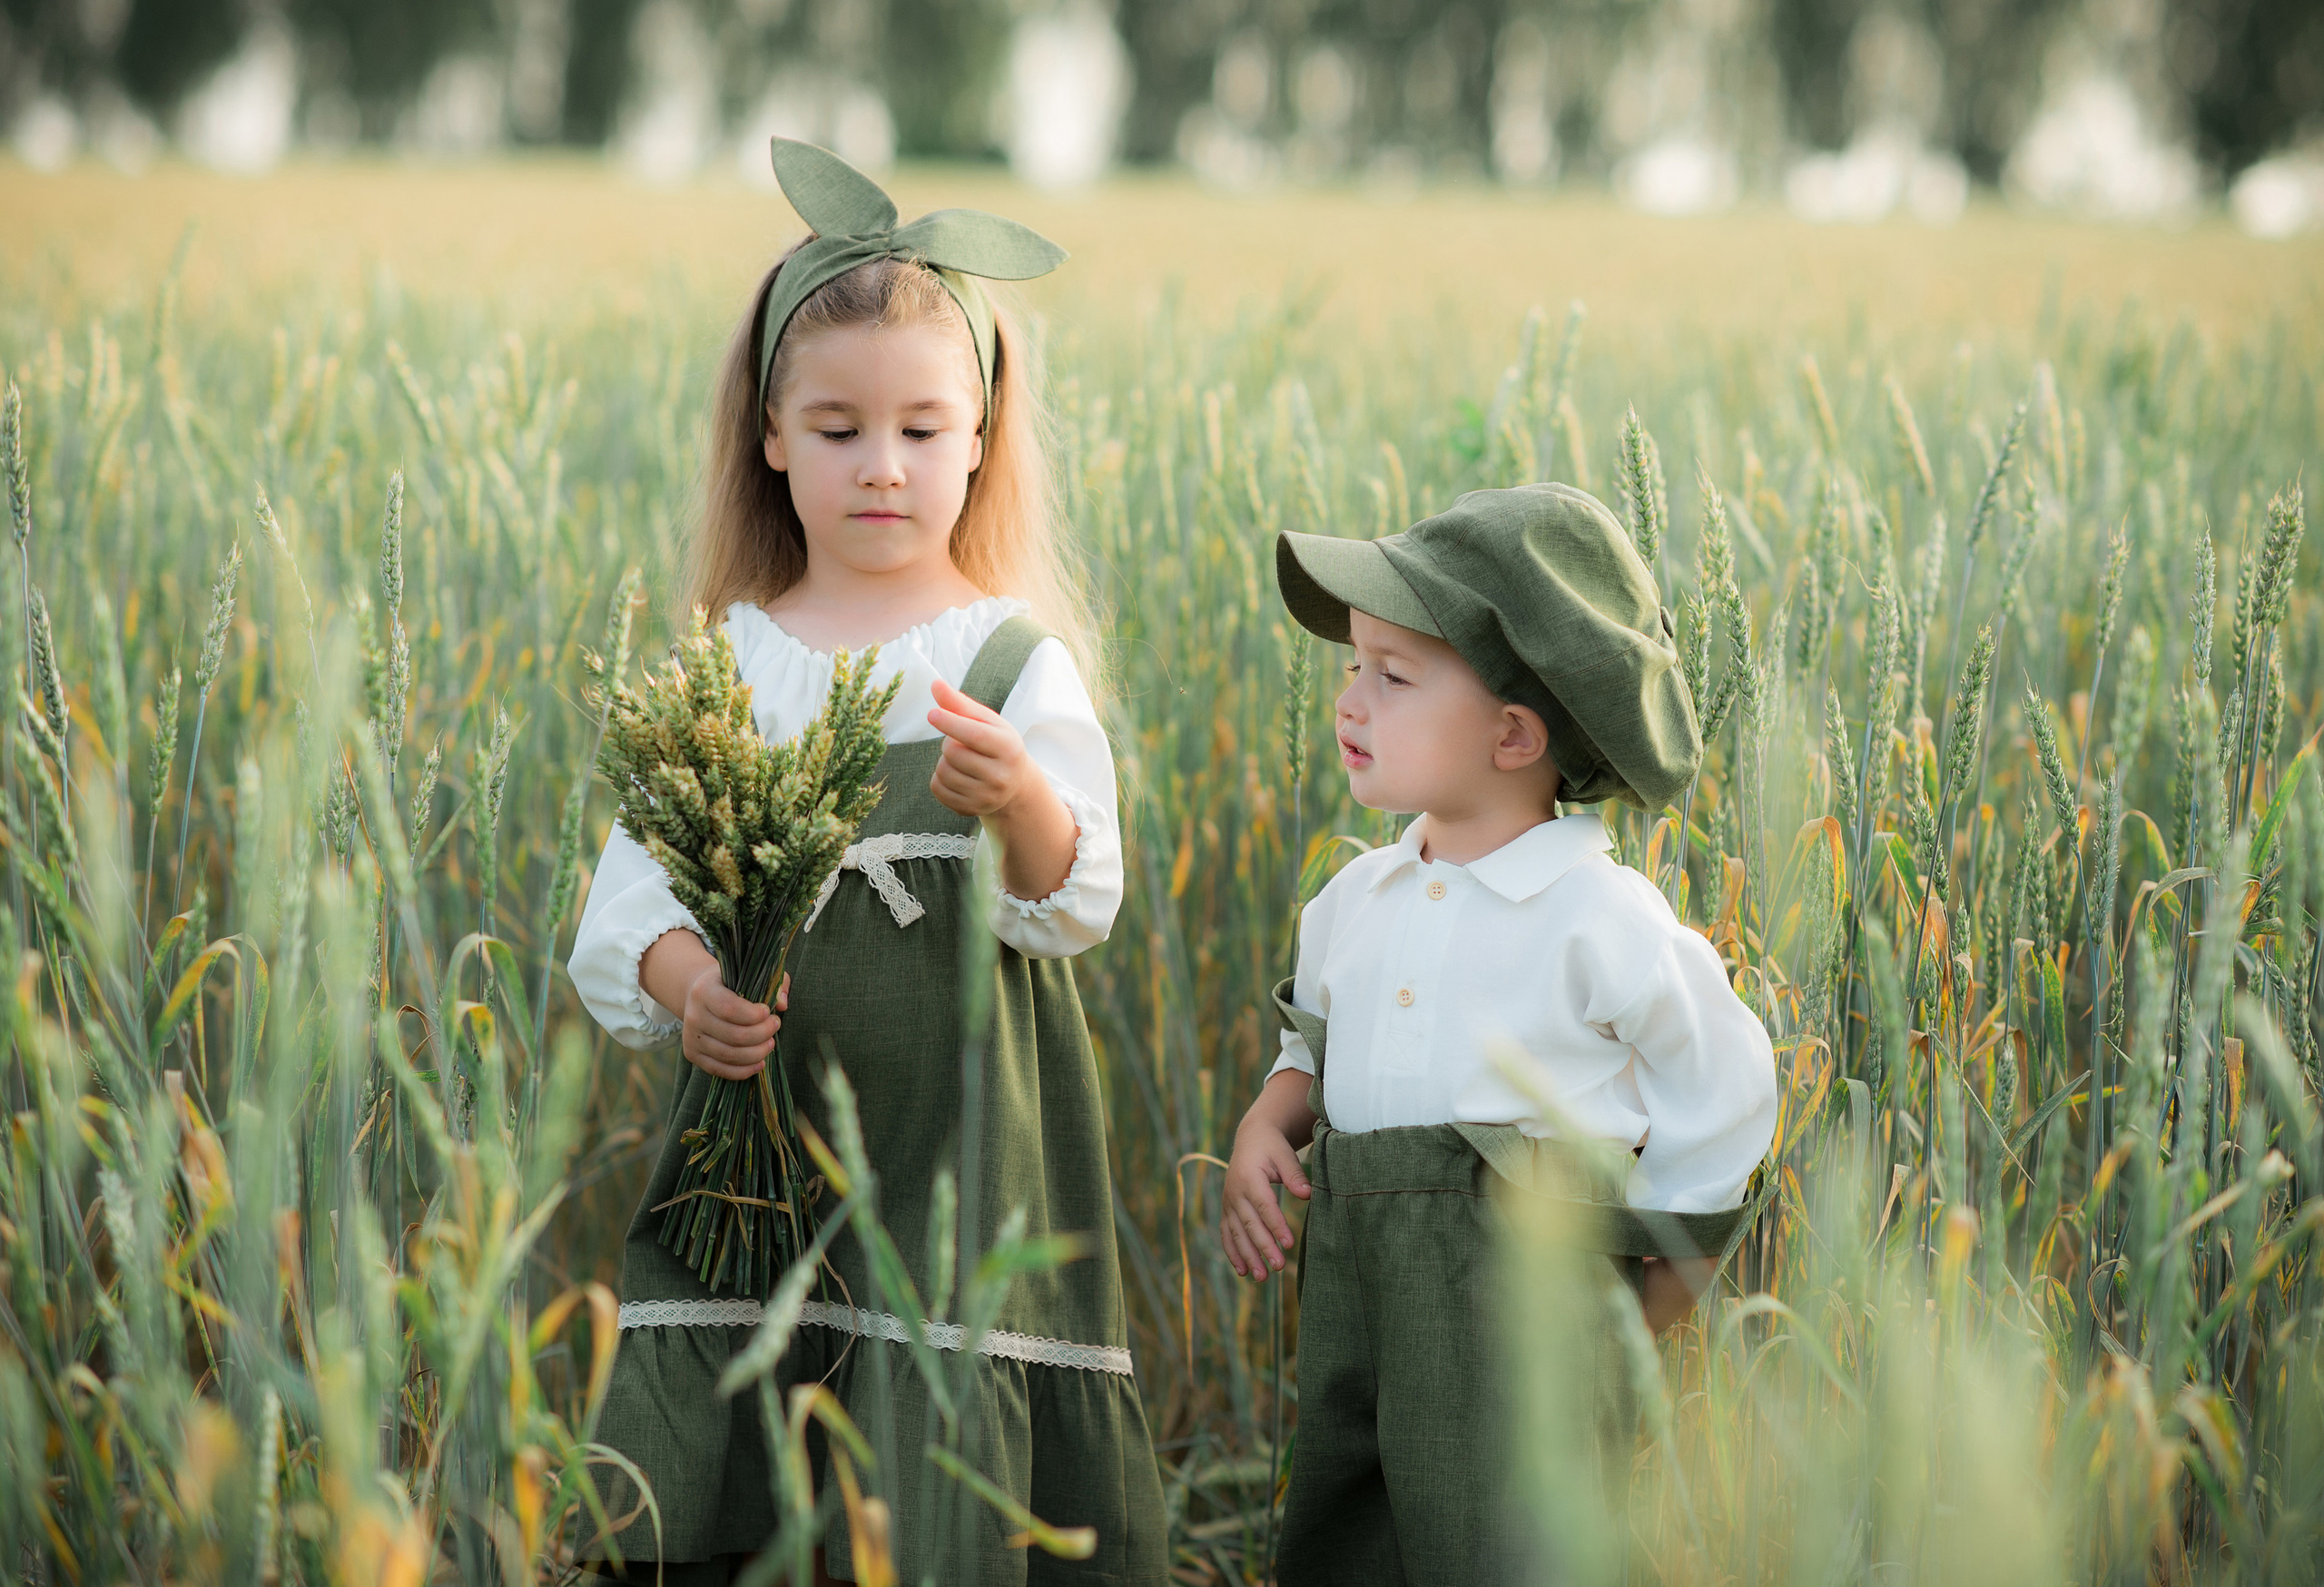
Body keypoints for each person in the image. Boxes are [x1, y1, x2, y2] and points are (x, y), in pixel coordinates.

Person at [568, 138, 1167, 1586]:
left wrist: (1018, 798)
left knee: (929, 1427)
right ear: (770, 436)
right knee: (765, 1432)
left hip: (960, 1156)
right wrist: (688, 978)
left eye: (920, 429)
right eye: (836, 431)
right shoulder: (732, 665)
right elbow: (626, 903)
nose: (881, 467)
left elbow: (1077, 899)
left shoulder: (1009, 662)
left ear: (979, 435)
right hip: (760, 1166)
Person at [1219, 483, 1779, 1585]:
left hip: (1524, 1328)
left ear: (1514, 733)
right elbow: (1312, 1051)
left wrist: (1641, 1308)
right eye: (1351, 666)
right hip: (1356, 1308)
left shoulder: (1596, 919)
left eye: (1393, 674)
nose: (1350, 700)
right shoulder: (1353, 898)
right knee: (1347, 1528)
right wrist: (1262, 1125)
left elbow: (1727, 1092)